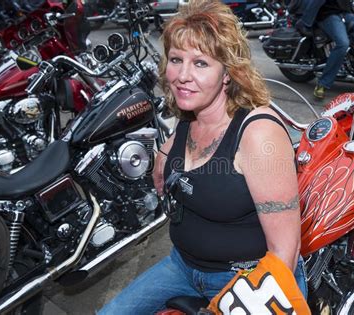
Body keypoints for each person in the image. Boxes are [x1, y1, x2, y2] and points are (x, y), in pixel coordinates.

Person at [98, 0, 306, 313]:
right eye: (176, 59)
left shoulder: (258, 134)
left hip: (248, 277)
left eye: (200, 63)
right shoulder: (188, 116)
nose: (182, 75)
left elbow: (285, 250)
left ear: (228, 73)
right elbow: (164, 169)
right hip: (181, 266)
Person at [295, 0, 354, 99]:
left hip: (346, 13)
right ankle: (323, 84)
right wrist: (306, 21)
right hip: (328, 14)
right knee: (342, 44)